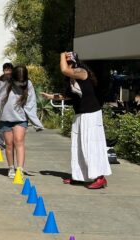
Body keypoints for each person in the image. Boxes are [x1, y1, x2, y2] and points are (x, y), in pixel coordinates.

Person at [41, 52, 111, 189]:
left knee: (91, 146)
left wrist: (61, 54)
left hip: (91, 114)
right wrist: (50, 96)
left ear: (72, 62)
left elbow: (64, 70)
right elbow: (67, 96)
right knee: (78, 147)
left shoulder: (81, 72)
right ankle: (80, 176)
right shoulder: (72, 79)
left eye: (66, 61)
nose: (64, 64)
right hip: (80, 115)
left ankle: (99, 177)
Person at [0, 62, 14, 149]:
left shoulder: (15, 80)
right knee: (0, 127)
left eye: (9, 70)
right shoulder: (0, 81)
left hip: (12, 108)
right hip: (1, 108)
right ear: (3, 71)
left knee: (12, 127)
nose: (8, 72)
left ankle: (10, 143)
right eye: (6, 70)